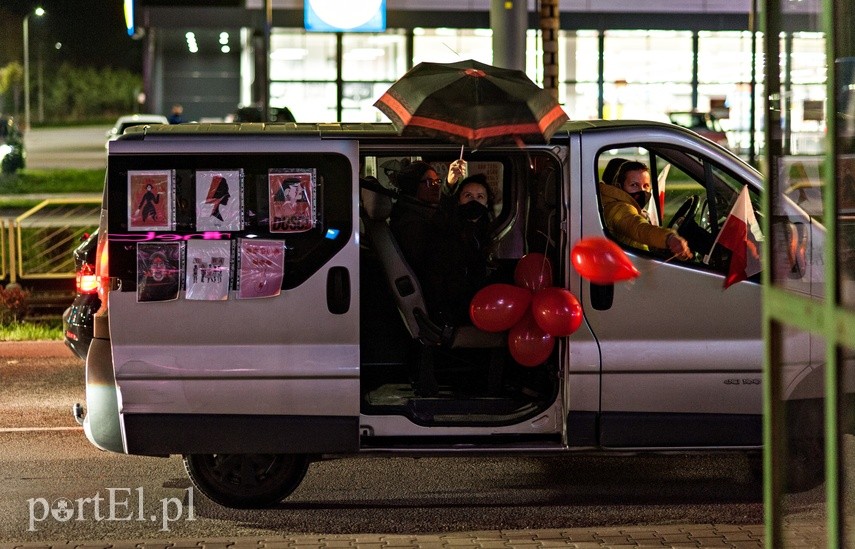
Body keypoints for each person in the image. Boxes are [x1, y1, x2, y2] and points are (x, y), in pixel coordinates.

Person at [599, 160, 692, 259]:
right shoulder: (619, 208)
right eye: (634, 185)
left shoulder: (630, 207)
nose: (642, 191)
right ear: (619, 187)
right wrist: (669, 238)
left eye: (646, 186)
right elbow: (639, 228)